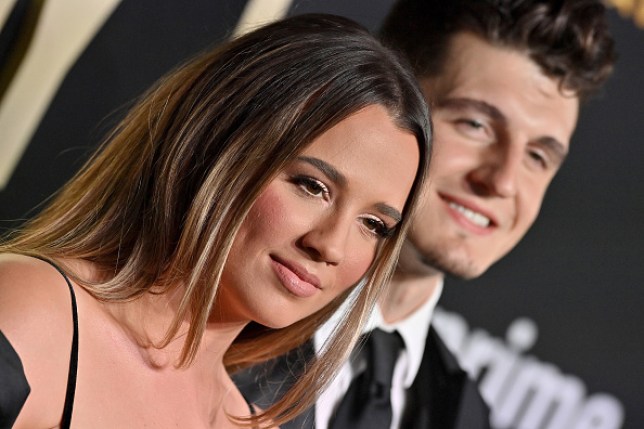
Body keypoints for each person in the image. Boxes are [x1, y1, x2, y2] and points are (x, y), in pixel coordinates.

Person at [0, 14, 432, 429]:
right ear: (217, 146)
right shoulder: (34, 315)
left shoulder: (254, 421)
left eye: (373, 225)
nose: (331, 246)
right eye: (311, 186)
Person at [236, 1, 617, 428]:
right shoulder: (210, 322)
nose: (504, 181)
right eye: (476, 125)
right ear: (390, 95)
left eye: (537, 156)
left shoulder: (465, 417)